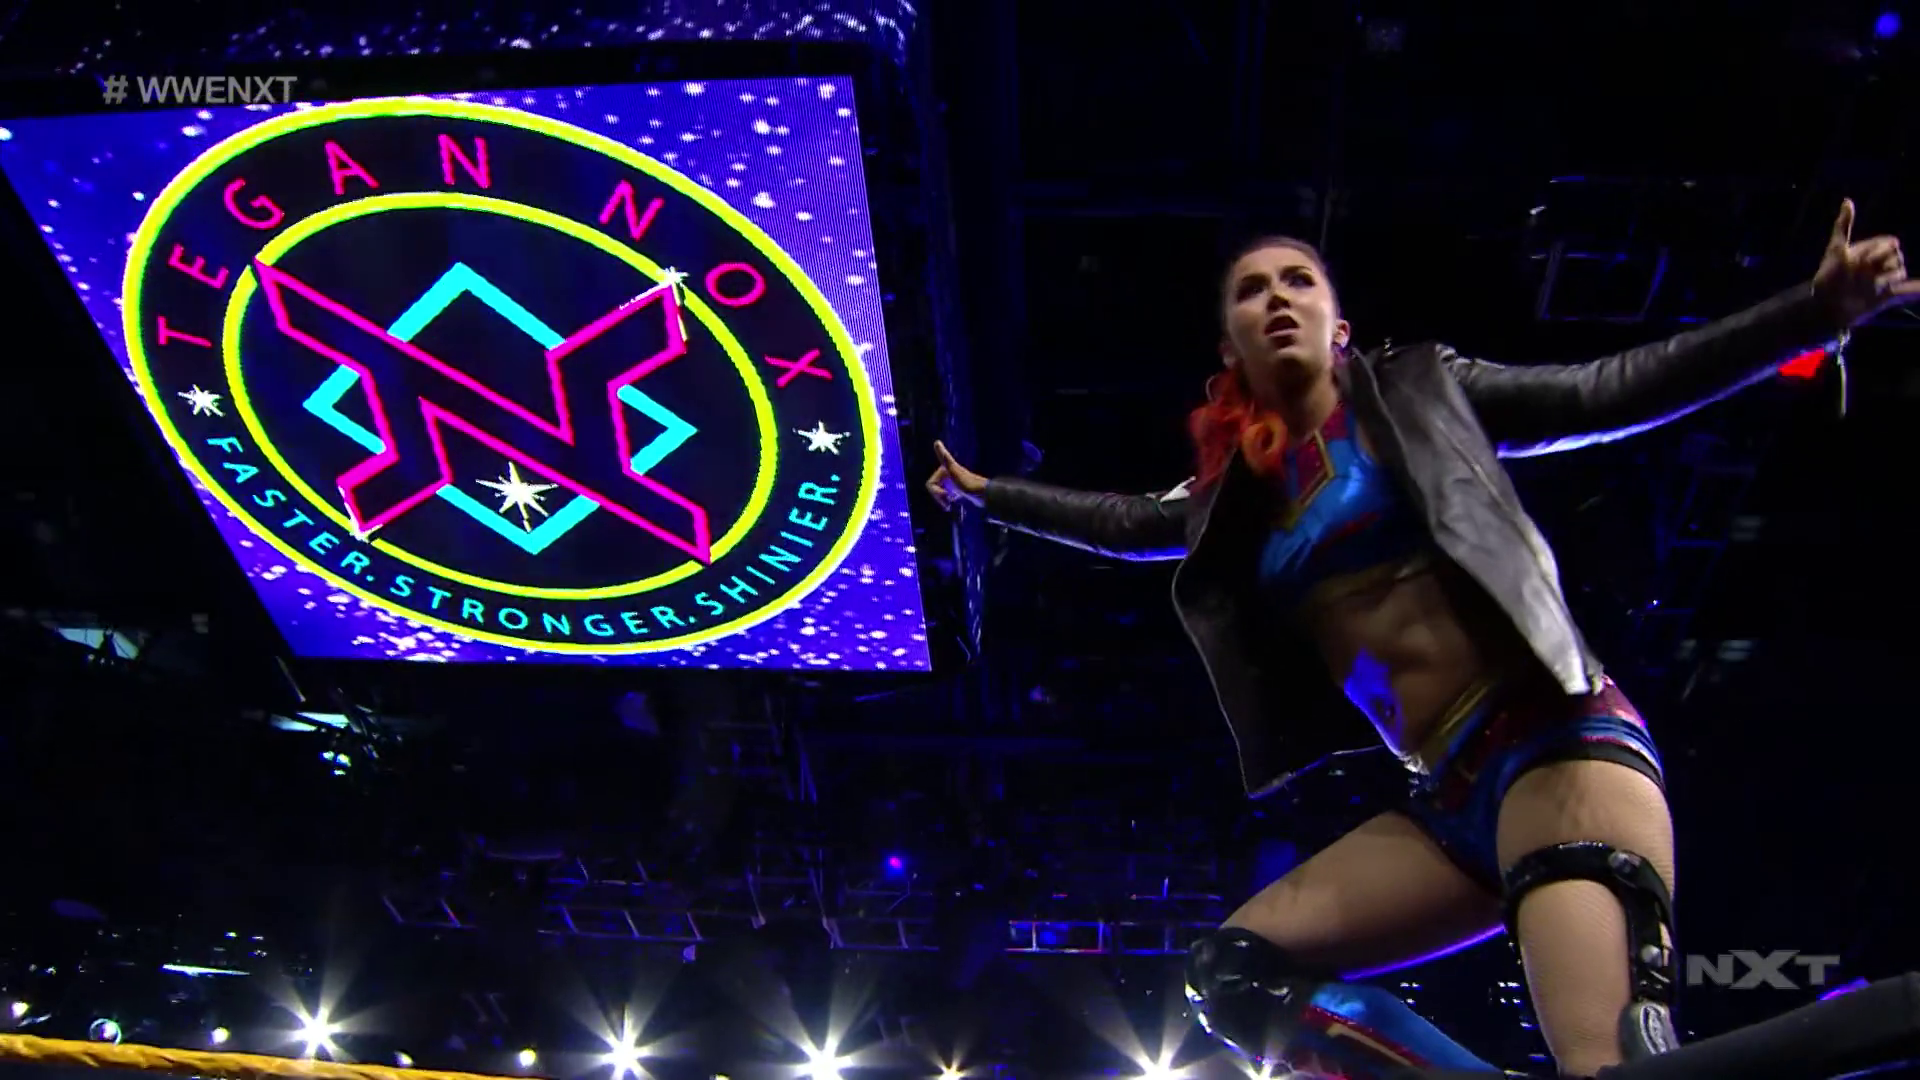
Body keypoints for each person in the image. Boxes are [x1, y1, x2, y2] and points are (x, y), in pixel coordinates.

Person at [927, 200, 1914, 1079]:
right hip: (1445, 799)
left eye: (1298, 281)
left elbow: (1606, 390)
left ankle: (1888, 1021)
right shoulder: (1235, 500)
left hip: (1555, 749)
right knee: (1234, 973)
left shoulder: (1417, 391)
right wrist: (987, 496)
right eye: (1252, 291)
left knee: (1606, 1069)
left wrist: (1811, 313)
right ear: (1229, 347)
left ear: (1339, 325)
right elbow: (1126, 522)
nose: (1277, 298)